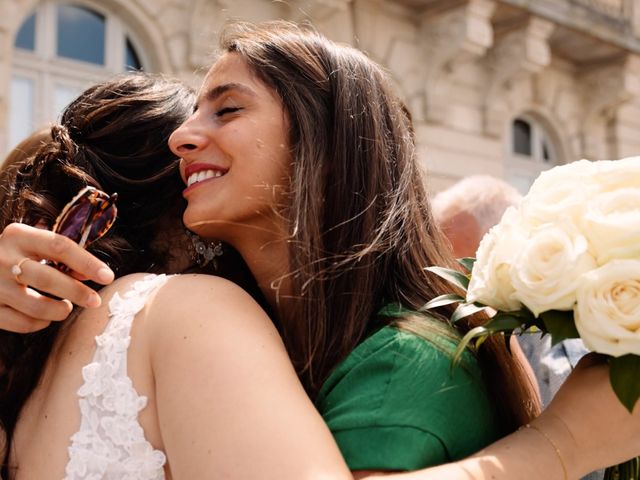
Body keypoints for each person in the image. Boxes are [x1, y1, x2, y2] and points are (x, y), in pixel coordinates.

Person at [0, 21, 638, 480]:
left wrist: (569, 443)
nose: (183, 140)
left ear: (326, 146)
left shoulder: (399, 359)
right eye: (194, 114)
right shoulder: (214, 324)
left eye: (226, 110)